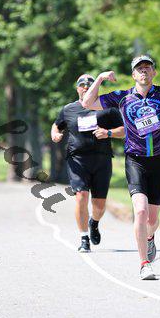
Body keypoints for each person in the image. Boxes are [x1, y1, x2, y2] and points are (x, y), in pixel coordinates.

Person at [83, 55, 160, 279]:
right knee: (140, 211)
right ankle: (144, 264)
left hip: (159, 162)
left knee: (152, 220)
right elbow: (87, 103)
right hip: (135, 160)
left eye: (148, 67)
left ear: (154, 73)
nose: (143, 71)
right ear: (133, 74)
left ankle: (150, 238)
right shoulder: (122, 97)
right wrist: (100, 78)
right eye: (139, 68)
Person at [51, 74, 125, 252]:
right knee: (81, 196)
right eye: (82, 85)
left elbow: (124, 130)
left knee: (99, 205)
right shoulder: (69, 109)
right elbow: (56, 125)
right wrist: (55, 134)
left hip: (102, 160)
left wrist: (108, 133)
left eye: (89, 85)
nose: (85, 87)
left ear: (95, 88)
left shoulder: (108, 108)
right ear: (77, 88)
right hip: (77, 160)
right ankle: (84, 238)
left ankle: (94, 222)